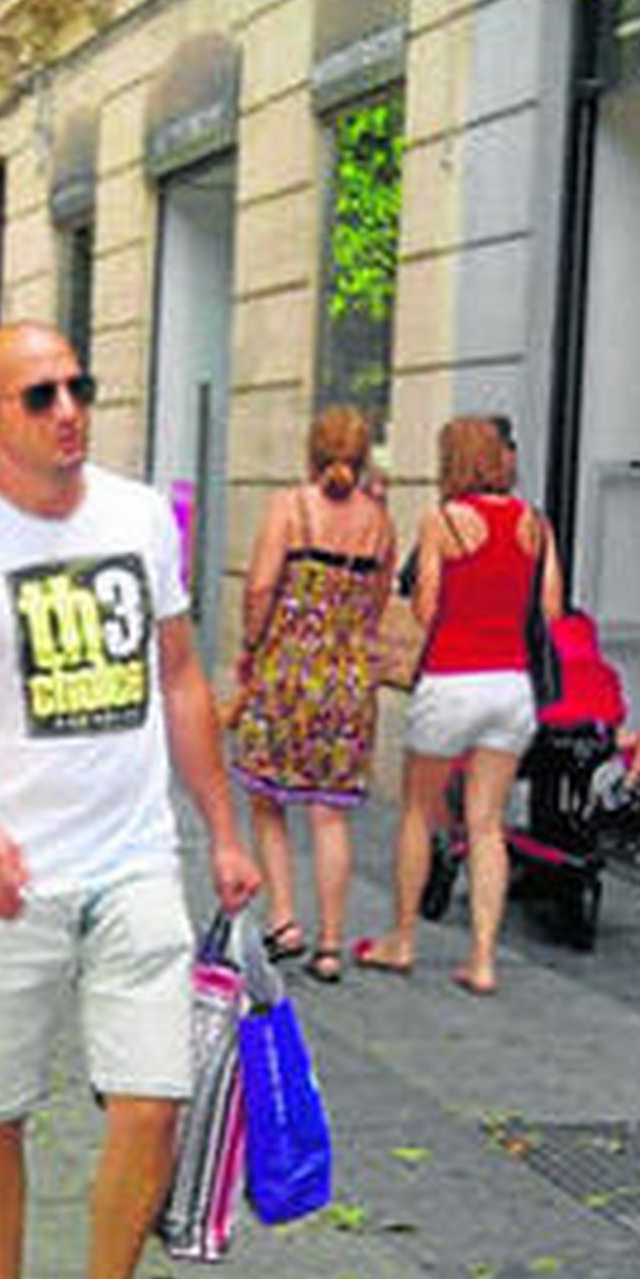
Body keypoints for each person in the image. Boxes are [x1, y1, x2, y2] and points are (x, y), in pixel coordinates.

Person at [0, 320, 259, 1279]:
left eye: (78, 386)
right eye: (39, 394)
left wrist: (222, 827)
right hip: (11, 876)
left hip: (134, 860)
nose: (68, 409)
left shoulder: (140, 517)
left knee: (151, 1102)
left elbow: (182, 678)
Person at [354, 414, 561, 995]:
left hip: (451, 680)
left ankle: (401, 939)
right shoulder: (536, 524)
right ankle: (483, 959)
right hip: (512, 686)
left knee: (420, 813)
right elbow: (551, 609)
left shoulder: (442, 521)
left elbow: (426, 608)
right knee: (487, 822)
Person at [230, 406, 396, 981]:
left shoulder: (290, 507)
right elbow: (377, 602)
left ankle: (284, 920)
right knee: (330, 814)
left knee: (266, 798)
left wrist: (251, 644)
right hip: (348, 677)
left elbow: (260, 587)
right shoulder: (379, 521)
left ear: (313, 449)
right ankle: (329, 945)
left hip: (288, 669)